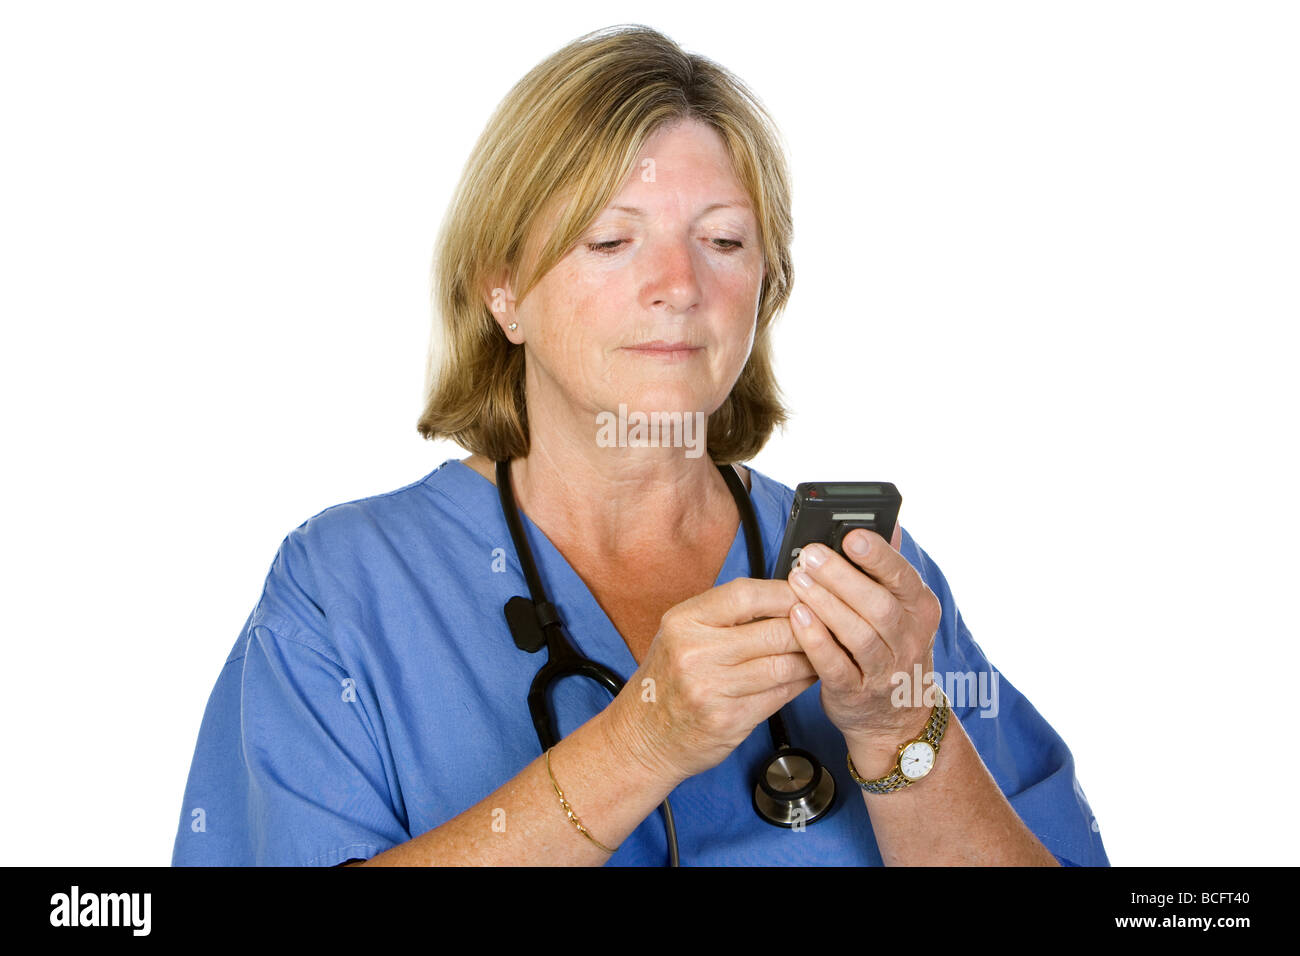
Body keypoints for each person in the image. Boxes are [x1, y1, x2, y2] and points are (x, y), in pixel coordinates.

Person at [171, 24, 1108, 867]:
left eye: (724, 241)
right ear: (502, 289)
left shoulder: (870, 584)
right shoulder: (341, 591)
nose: (677, 284)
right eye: (612, 240)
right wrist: (642, 743)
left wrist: (904, 730)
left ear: (765, 289)